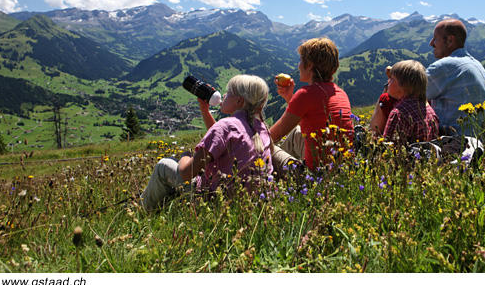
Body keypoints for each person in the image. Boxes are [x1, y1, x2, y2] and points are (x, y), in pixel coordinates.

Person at [140, 75, 273, 212]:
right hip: (252, 205)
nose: (224, 94)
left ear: (239, 100)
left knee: (164, 166)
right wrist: (205, 110)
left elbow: (186, 173)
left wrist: (184, 156)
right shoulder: (261, 128)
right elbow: (222, 140)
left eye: (229, 92)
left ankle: (143, 212)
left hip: (215, 202)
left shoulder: (225, 126)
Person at [270, 37, 353, 172]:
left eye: (301, 60)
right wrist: (289, 97)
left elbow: (273, 136)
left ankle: (273, 181)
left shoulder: (305, 94)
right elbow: (313, 119)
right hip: (343, 170)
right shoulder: (341, 93)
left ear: (309, 65)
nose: (298, 65)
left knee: (264, 146)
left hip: (315, 176)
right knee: (296, 133)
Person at [426, 19, 485, 138]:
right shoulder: (476, 64)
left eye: (435, 38)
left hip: (459, 145)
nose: (431, 43)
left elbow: (408, 94)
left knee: (390, 101)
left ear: (450, 41)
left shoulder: (445, 66)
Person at [382, 60, 439, 144]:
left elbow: (388, 148)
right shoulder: (430, 111)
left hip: (405, 156)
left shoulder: (398, 113)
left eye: (392, 78)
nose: (388, 81)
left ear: (404, 85)